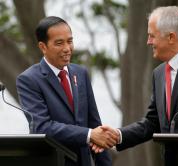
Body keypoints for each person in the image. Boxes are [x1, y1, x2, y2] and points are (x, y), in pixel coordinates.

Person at [91, 6, 178, 165]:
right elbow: (152, 123)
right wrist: (118, 135)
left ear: (171, 37)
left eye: (152, 36)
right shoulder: (159, 74)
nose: (148, 41)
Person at [16, 16, 118, 166]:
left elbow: (94, 123)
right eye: (59, 43)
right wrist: (89, 135)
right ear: (43, 47)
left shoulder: (81, 73)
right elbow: (42, 127)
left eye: (70, 41)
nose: (67, 48)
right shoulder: (28, 80)